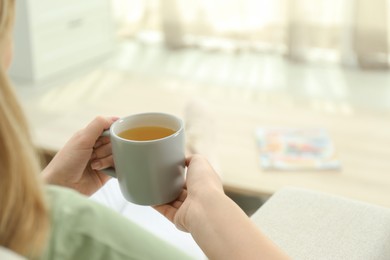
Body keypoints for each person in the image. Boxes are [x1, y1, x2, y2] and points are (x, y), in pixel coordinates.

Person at [0, 0, 289, 259]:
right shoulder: (73, 227)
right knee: (155, 181)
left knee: (123, 185)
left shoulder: (35, 214)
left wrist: (52, 189)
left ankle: (193, 150)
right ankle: (199, 151)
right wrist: (210, 207)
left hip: (46, 205)